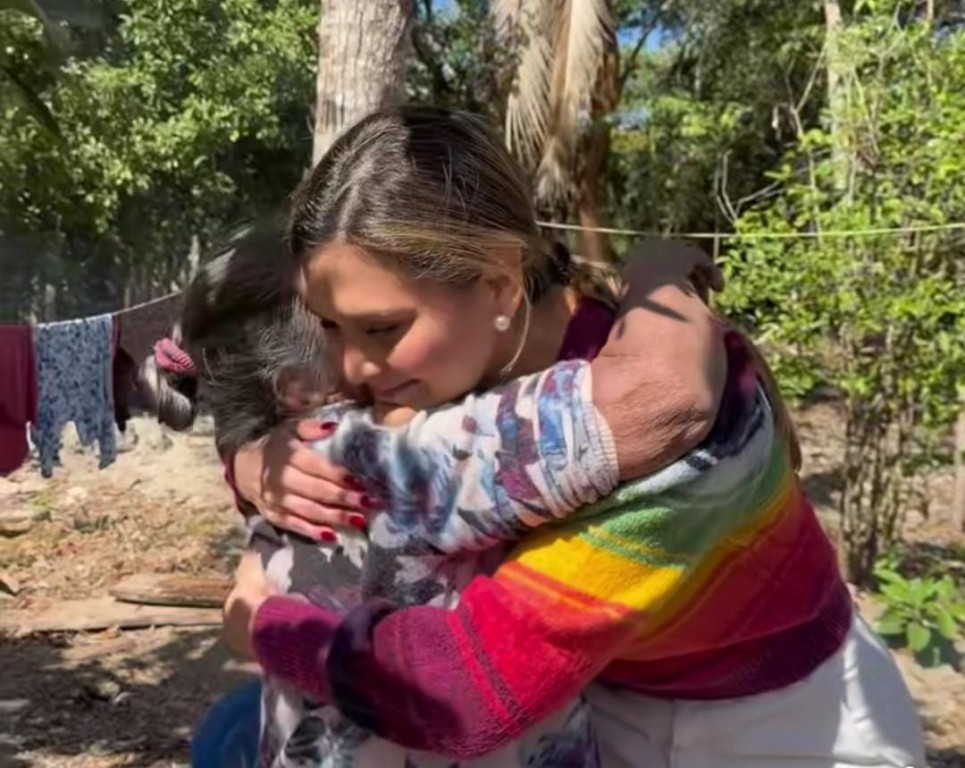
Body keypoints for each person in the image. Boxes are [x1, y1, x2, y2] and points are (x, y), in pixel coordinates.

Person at [216, 106, 925, 768]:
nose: (350, 367)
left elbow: (463, 689)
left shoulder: (676, 426)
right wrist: (257, 464)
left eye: (379, 329)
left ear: (498, 287)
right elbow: (351, 447)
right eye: (329, 327)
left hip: (781, 728)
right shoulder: (448, 365)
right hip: (601, 702)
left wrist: (268, 628)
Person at [149, 219, 726, 767]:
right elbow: (658, 400)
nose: (372, 352)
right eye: (348, 324)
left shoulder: (287, 465)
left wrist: (246, 467)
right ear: (299, 383)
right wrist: (658, 275)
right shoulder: (429, 451)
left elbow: (243, 609)